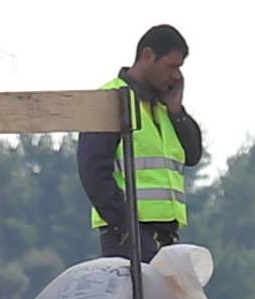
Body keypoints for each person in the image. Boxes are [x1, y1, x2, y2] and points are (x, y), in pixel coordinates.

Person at [76, 25, 202, 262]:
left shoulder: (164, 106)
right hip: (127, 234)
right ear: (148, 56)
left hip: (166, 234)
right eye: (172, 66)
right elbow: (93, 172)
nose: (177, 76)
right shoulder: (108, 99)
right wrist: (127, 228)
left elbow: (193, 155)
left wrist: (177, 110)